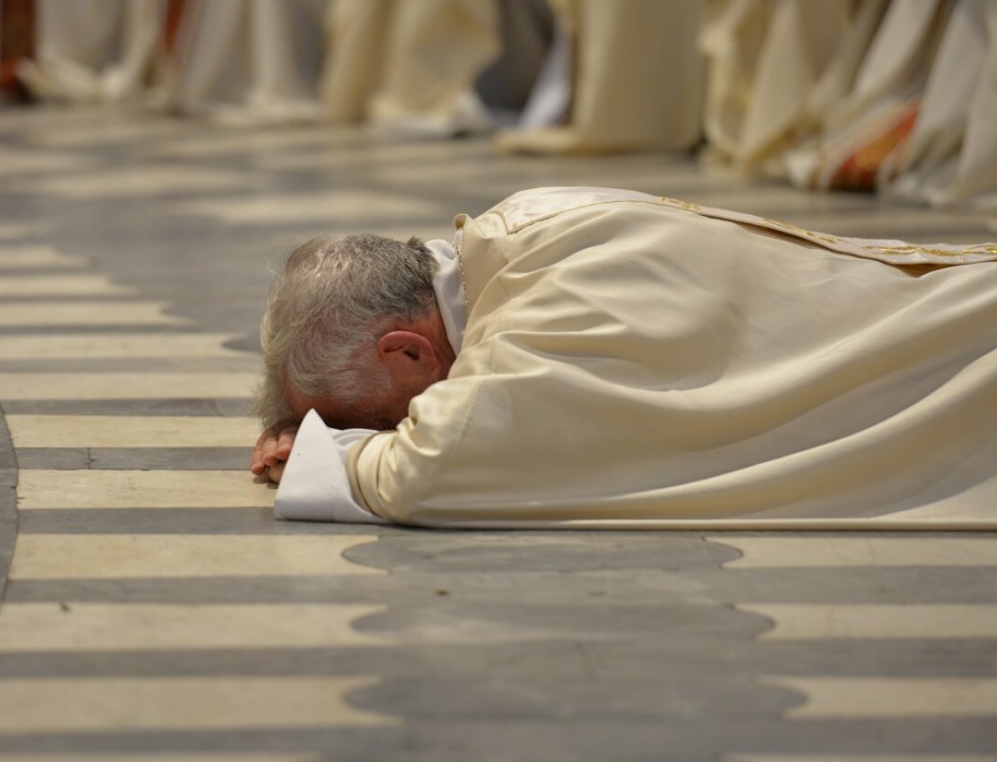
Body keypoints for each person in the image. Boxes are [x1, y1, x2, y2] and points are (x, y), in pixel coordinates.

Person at [250, 187, 997, 529]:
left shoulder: (538, 328)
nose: (388, 432)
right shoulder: (527, 226)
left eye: (378, 417)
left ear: (408, 351)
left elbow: (431, 470)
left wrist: (328, 453)